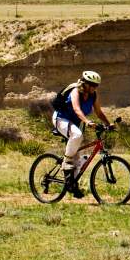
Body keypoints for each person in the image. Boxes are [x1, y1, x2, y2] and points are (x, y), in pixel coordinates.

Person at [52, 70, 110, 198]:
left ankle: (72, 185)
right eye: (92, 85)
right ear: (85, 84)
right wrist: (87, 121)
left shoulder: (93, 95)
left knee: (78, 160)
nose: (95, 88)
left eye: (96, 86)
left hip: (74, 123)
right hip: (61, 119)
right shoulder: (75, 91)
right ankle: (66, 162)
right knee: (77, 135)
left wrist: (108, 124)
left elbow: (99, 113)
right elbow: (77, 109)